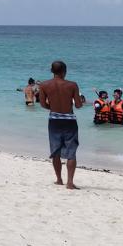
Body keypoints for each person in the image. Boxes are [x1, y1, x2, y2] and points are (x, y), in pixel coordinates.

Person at [38, 59, 85, 190]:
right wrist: (80, 102)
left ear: (52, 71)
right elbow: (79, 105)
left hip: (54, 120)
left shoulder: (44, 85)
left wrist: (54, 108)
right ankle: (70, 183)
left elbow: (42, 104)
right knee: (71, 151)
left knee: (56, 150)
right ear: (64, 71)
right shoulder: (72, 85)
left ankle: (59, 180)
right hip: (69, 120)